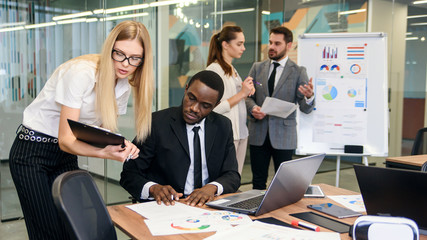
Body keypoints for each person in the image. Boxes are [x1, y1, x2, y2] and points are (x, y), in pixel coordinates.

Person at [8, 20, 153, 240]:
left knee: (73, 228)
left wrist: (121, 144)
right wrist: (105, 153)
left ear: (143, 61)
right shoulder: (81, 73)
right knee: (48, 232)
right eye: (119, 54)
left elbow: (101, 133)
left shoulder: (122, 85)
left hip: (64, 154)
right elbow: (66, 139)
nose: (125, 63)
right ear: (110, 49)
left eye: (134, 58)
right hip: (32, 152)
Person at [120, 70, 240, 207]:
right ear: (186, 89)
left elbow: (232, 174)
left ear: (216, 105)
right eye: (191, 98)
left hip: (207, 205)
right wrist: (153, 188)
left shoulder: (223, 126)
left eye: (205, 106)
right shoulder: (156, 123)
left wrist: (212, 188)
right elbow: (129, 175)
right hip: (168, 205)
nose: (194, 108)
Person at [245, 26, 315, 190]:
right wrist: (253, 108)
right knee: (258, 181)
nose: (271, 47)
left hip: (284, 135)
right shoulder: (257, 68)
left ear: (289, 45)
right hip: (258, 133)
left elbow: (305, 108)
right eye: (270, 42)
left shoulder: (298, 71)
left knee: (284, 184)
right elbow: (248, 96)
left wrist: (309, 97)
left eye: (277, 43)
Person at [206, 26, 255, 175]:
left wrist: (246, 92)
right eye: (239, 44)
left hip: (240, 133)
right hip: (227, 136)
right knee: (225, 180)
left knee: (236, 179)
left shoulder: (232, 69)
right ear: (225, 45)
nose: (244, 48)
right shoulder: (214, 70)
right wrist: (242, 93)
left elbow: (236, 100)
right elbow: (214, 108)